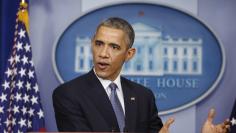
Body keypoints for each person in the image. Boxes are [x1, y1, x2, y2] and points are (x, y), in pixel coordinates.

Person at [53, 17, 230, 133]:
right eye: (99, 44)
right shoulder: (68, 94)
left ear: (129, 54)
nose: (103, 53)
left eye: (114, 47)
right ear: (92, 45)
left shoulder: (143, 96)